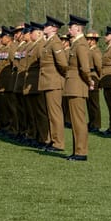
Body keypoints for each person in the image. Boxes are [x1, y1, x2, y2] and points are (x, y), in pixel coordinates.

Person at [64, 15, 92, 161]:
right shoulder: (76, 44)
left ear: (78, 28)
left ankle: (81, 152)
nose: (69, 30)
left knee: (79, 121)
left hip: (77, 86)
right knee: (75, 121)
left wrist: (89, 81)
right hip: (73, 85)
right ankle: (77, 151)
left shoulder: (80, 44)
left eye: (71, 27)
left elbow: (85, 68)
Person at [39, 15, 68, 152]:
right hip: (48, 82)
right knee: (50, 113)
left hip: (54, 82)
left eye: (47, 25)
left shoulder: (55, 42)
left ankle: (58, 143)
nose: (44, 27)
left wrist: (62, 78)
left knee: (55, 113)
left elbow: (62, 63)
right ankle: (52, 140)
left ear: (53, 28)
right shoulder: (49, 42)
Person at [85, 30, 103, 134]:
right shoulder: (89, 51)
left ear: (93, 41)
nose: (87, 41)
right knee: (89, 102)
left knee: (94, 103)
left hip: (94, 76)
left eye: (88, 39)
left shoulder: (95, 51)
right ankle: (92, 122)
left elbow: (99, 67)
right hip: (90, 76)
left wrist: (99, 80)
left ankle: (96, 124)